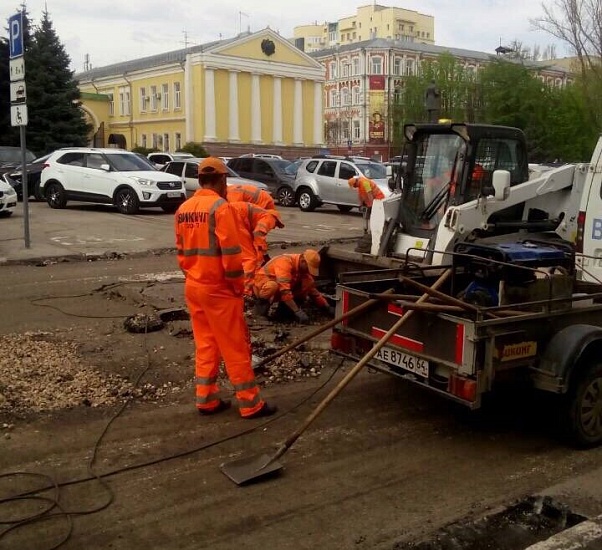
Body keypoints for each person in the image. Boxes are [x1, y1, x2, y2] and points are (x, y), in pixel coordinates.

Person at [175, 157, 276, 419]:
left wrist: (193, 276)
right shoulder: (221, 208)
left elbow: (181, 252)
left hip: (194, 286)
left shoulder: (183, 208)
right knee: (235, 347)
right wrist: (236, 287)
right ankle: (250, 403)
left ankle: (206, 399)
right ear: (222, 180)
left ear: (199, 180)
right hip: (219, 289)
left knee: (206, 344)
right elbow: (232, 255)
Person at [252, 249, 335, 323]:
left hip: (280, 289)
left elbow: (313, 291)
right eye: (308, 268)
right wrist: (297, 311)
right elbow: (285, 291)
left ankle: (283, 313)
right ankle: (259, 313)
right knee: (273, 286)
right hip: (262, 287)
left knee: (308, 283)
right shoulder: (285, 262)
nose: (308, 271)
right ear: (303, 260)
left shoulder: (302, 270)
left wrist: (326, 306)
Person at [229, 201, 285, 297]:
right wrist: (262, 251)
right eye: (276, 225)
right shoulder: (270, 218)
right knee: (250, 258)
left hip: (231, 215)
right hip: (235, 217)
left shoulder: (259, 215)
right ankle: (246, 291)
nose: (274, 227)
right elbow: (259, 232)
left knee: (235, 253)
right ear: (276, 220)